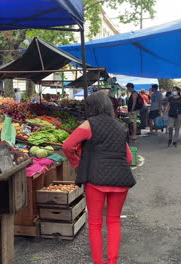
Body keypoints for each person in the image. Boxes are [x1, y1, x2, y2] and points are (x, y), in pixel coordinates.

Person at [62, 91, 135, 264]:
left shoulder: (89, 125)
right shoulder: (119, 126)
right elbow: (130, 158)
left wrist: (77, 164)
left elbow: (67, 146)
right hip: (121, 179)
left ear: (91, 107)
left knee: (95, 223)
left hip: (95, 180)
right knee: (114, 221)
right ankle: (112, 261)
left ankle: (98, 262)